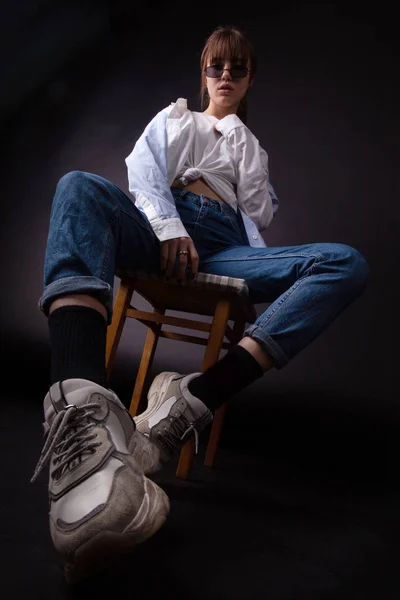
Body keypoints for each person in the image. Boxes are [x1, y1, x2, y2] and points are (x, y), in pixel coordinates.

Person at [31, 24, 370, 583]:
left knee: (344, 263)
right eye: (217, 67)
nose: (226, 77)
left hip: (225, 248)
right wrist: (167, 228)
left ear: (249, 79)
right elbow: (143, 175)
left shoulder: (250, 145)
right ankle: (81, 417)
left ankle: (191, 404)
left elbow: (258, 214)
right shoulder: (176, 119)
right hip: (162, 228)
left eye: (238, 70)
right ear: (204, 72)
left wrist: (238, 138)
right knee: (78, 187)